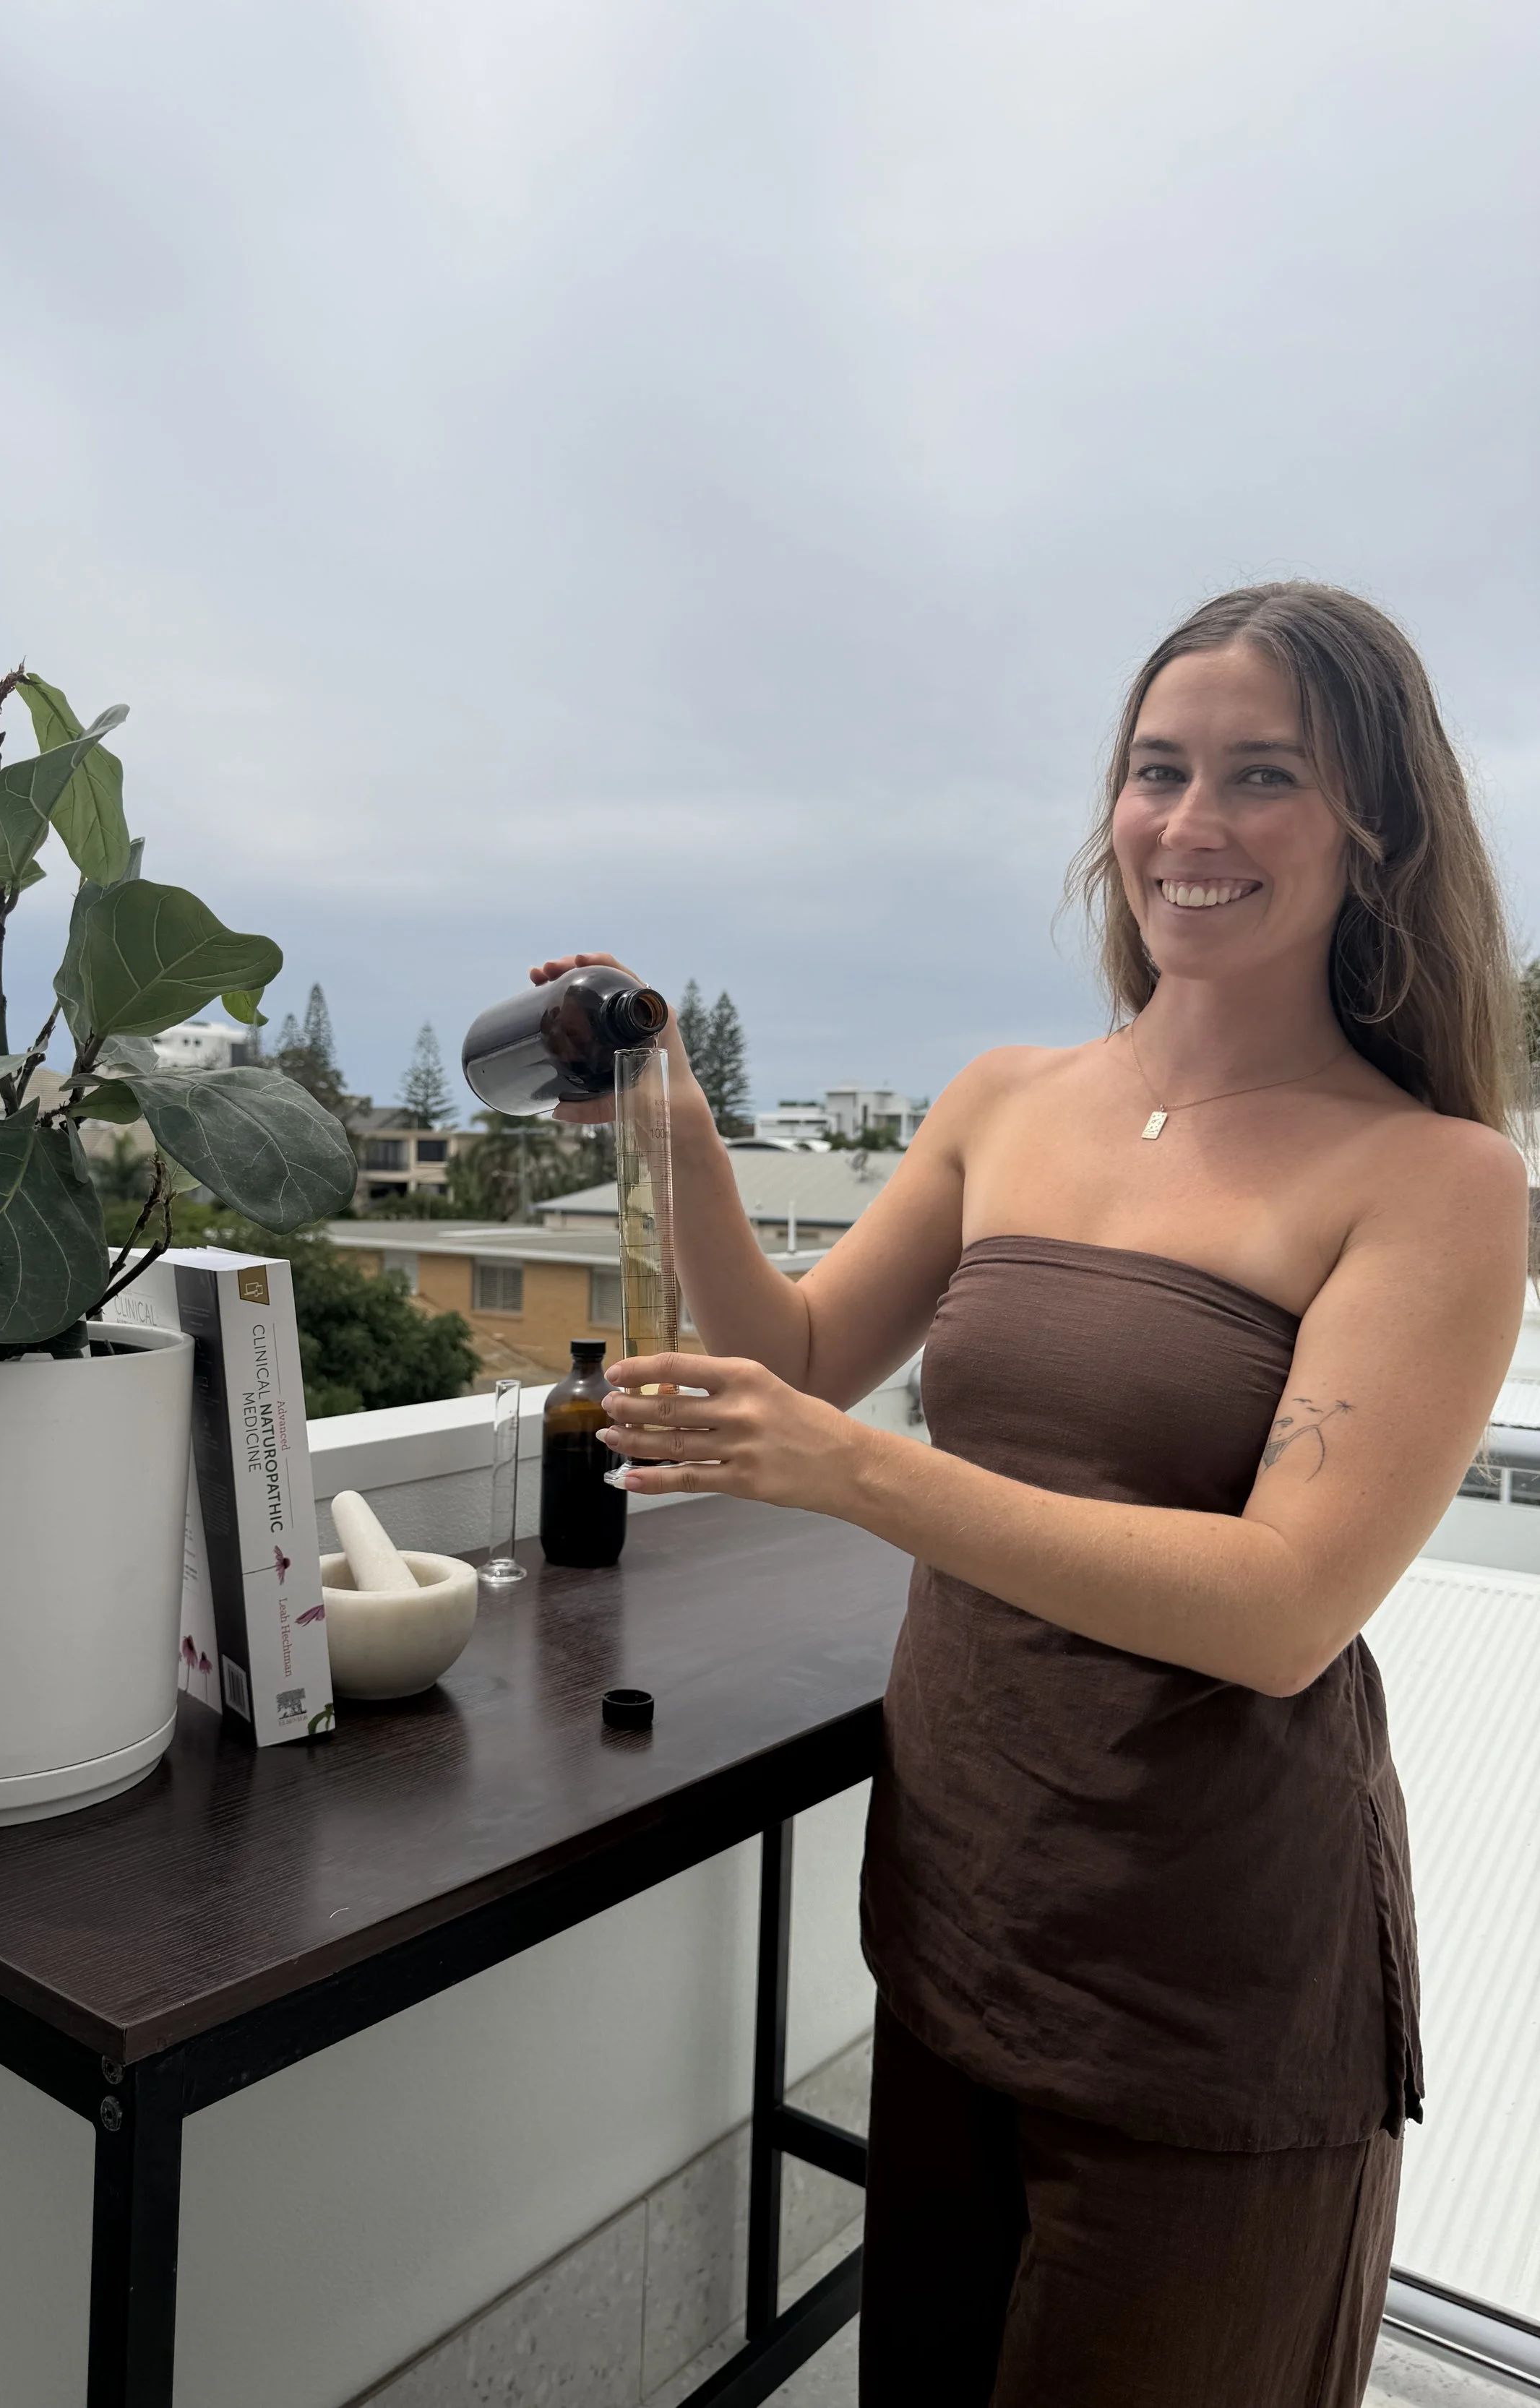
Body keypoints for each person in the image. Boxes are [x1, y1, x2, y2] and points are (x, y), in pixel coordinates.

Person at [532, 582, 1528, 2408]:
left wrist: (859, 1475)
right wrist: (675, 1132)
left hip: (1208, 1987)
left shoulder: (1435, 1180)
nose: (1189, 823)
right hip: (960, 1922)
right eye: (1156, 770)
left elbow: (1282, 1604)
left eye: (1262, 774)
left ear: (1372, 828)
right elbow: (805, 1347)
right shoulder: (1004, 1098)